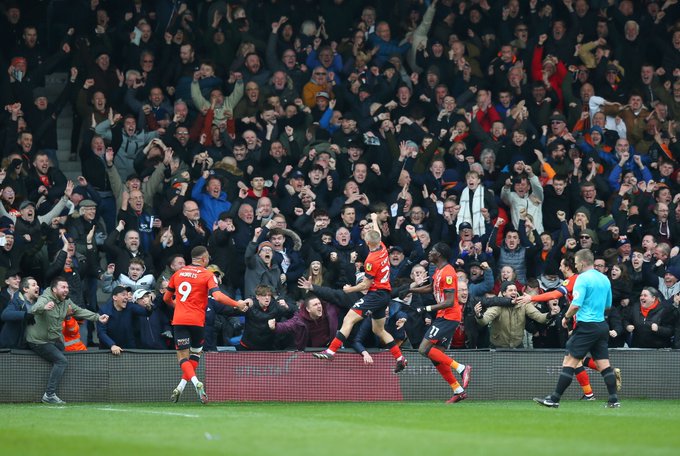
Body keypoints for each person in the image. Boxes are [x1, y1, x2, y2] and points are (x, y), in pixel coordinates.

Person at [516, 254, 622, 399]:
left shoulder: (576, 280)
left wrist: (531, 298)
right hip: (598, 324)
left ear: (568, 266)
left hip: (584, 324)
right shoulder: (603, 278)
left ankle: (561, 397)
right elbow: (608, 305)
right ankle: (608, 397)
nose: (559, 267)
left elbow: (555, 294)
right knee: (591, 361)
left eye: (561, 265)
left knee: (570, 361)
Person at [314, 213, 407, 373]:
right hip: (384, 295)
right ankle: (400, 358)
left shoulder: (371, 260)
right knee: (378, 330)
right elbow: (376, 232)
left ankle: (330, 351)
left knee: (349, 318)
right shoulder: (383, 248)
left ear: (366, 242)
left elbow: (366, 283)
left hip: (375, 294)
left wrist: (350, 289)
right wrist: (374, 219)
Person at [163, 246, 250, 404]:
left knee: (182, 357)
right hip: (198, 321)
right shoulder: (207, 274)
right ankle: (182, 387)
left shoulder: (178, 273)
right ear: (203, 259)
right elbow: (217, 296)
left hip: (180, 320)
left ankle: (195, 383)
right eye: (208, 257)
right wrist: (237, 303)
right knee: (195, 354)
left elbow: (166, 299)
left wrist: (180, 307)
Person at [26, 277, 109, 404]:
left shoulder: (66, 302)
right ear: (54, 289)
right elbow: (33, 309)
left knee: (61, 351)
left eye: (67, 287)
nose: (66, 290)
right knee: (61, 361)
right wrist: (44, 307)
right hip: (37, 340)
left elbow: (79, 311)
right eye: (63, 287)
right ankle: (49, 394)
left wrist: (97, 317)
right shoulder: (45, 298)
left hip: (52, 340)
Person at [409, 242, 471, 403]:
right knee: (436, 356)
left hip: (448, 316)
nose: (429, 254)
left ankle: (461, 368)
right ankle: (458, 390)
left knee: (423, 349)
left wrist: (426, 308)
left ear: (440, 254)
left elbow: (450, 301)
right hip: (444, 316)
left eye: (432, 251)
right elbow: (431, 288)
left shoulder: (449, 272)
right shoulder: (438, 271)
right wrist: (410, 289)